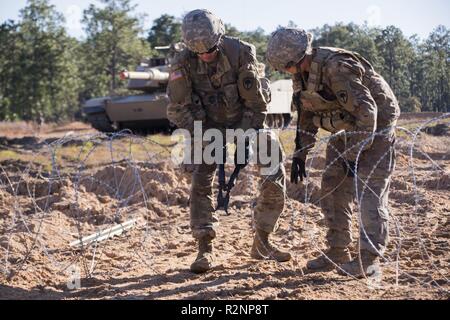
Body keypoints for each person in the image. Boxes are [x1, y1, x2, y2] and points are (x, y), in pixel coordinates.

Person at [266, 27, 400, 278]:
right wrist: (301, 153)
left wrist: (354, 155)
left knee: (368, 190)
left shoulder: (336, 69)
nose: (283, 72)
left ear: (295, 59)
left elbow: (367, 113)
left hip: (376, 127)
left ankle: (368, 260)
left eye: (284, 67)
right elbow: (307, 114)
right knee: (332, 186)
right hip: (349, 127)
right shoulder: (303, 74)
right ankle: (338, 251)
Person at [167, 9, 291, 274]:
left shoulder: (241, 52)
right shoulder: (181, 62)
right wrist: (203, 137)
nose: (205, 56)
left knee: (272, 156)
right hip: (207, 126)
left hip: (245, 120)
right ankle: (204, 248)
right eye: (198, 52)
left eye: (210, 50)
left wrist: (246, 135)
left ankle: (263, 239)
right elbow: (179, 108)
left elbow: (257, 101)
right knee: (201, 179)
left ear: (219, 37)